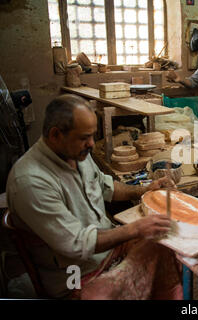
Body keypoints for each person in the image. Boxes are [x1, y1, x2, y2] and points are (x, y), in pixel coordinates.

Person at [6, 94, 182, 299]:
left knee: (166, 245)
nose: (91, 144)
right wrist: (134, 228)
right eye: (84, 138)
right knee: (102, 294)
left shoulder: (76, 153)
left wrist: (146, 189)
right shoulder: (30, 181)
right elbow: (77, 244)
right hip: (74, 275)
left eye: (92, 135)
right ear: (55, 135)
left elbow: (107, 188)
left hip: (107, 252)